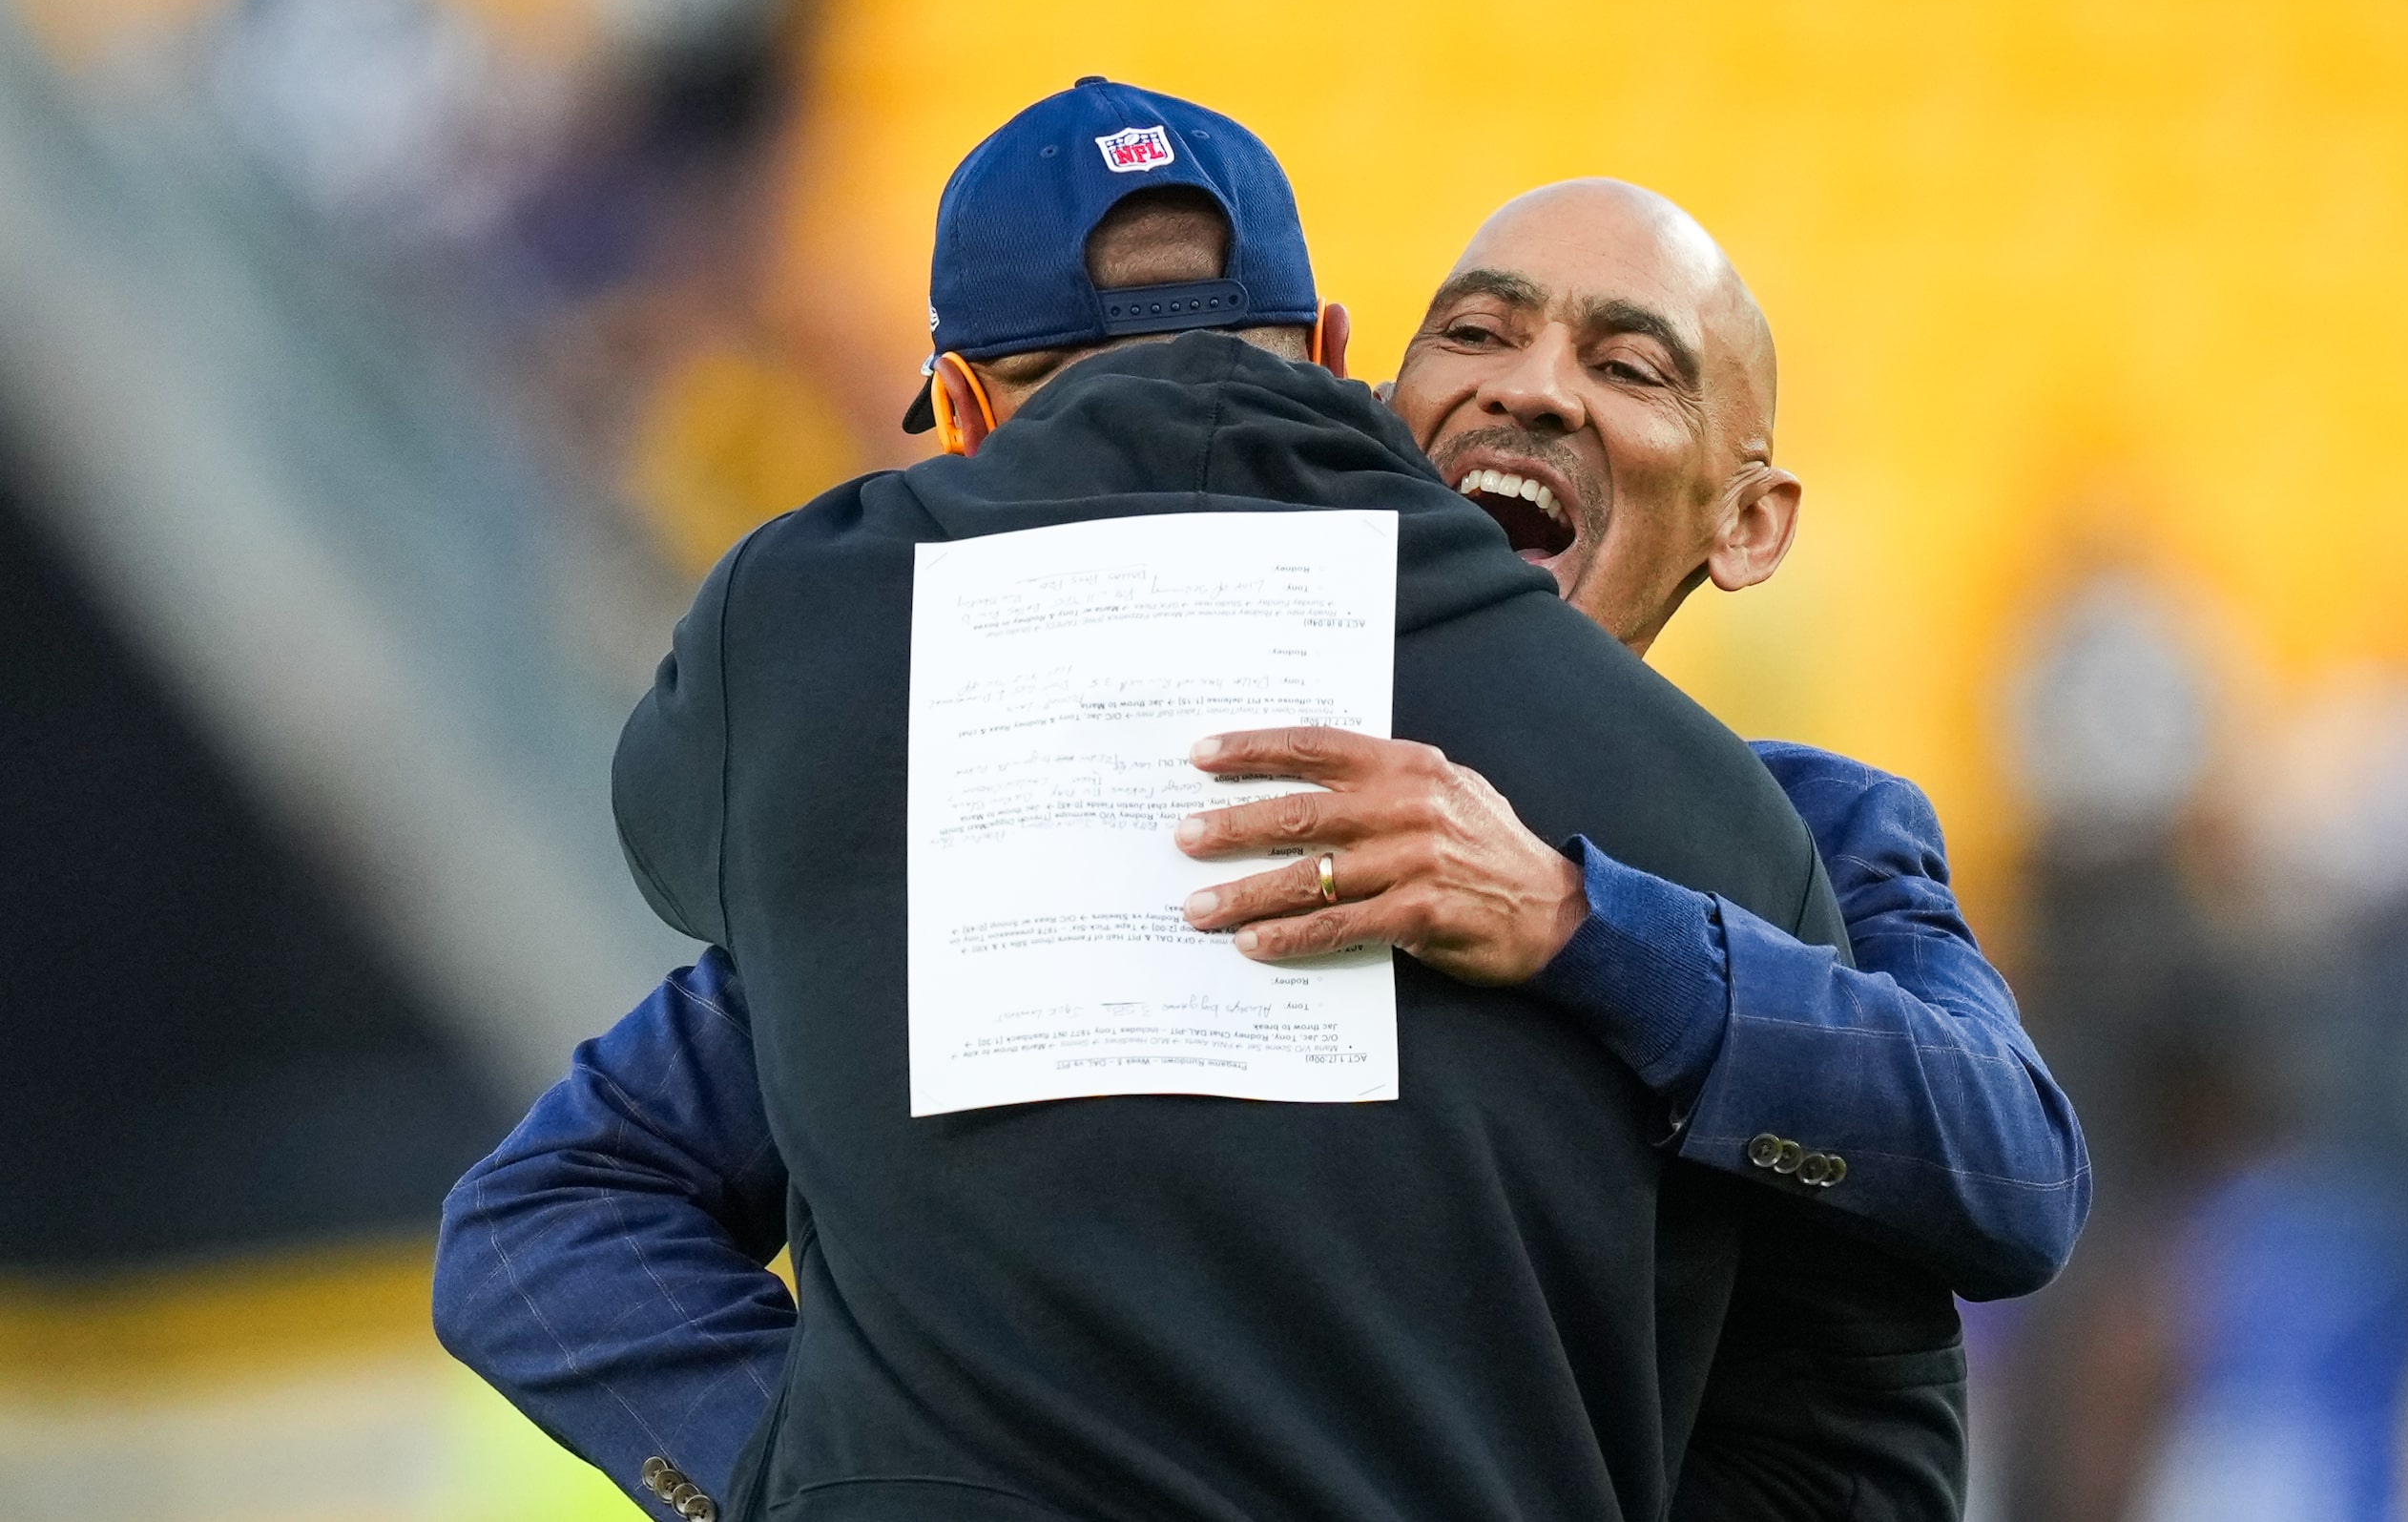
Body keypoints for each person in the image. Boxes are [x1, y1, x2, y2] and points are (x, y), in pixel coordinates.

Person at [437, 84, 2087, 1518]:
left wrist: (1587, 921)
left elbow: (2007, 1176)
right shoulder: (1035, 788)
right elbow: (553, 1206)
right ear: (1354, 382)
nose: (1532, 390)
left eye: (1630, 364)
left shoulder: (1805, 835)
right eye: (1479, 329)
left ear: (1748, 522)